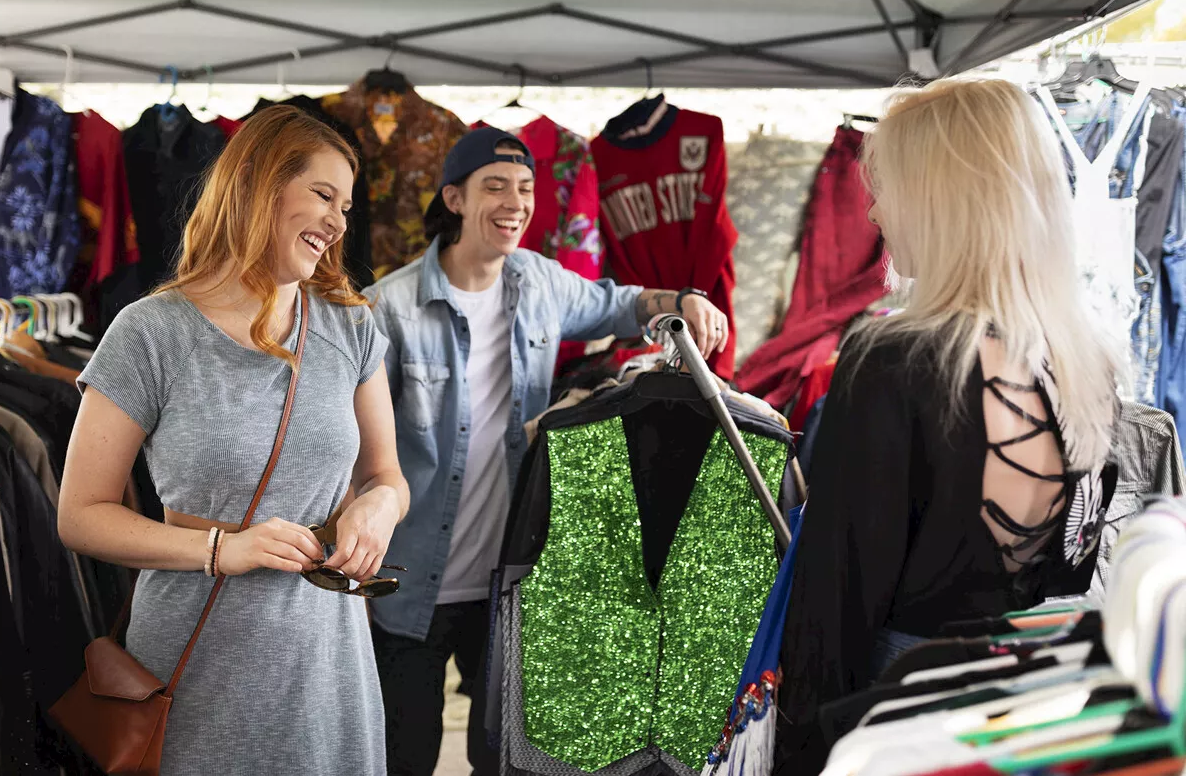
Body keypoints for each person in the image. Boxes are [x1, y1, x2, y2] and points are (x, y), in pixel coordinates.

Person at [774, 79, 1123, 772]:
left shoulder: (894, 359)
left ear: (943, 199)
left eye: (889, 187)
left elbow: (835, 605)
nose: (873, 208)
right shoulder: (1086, 362)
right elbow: (1072, 571)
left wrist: (798, 753)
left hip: (900, 716)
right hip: (1031, 715)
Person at [363, 126, 731, 775]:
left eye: (526, 189)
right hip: (408, 580)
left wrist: (682, 301)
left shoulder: (540, 282)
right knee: (403, 756)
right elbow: (359, 450)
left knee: (503, 756)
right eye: (496, 186)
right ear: (453, 197)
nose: (515, 202)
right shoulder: (388, 308)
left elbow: (622, 306)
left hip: (509, 580)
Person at [57, 106, 409, 775]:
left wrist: (378, 506)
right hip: (195, 664)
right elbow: (80, 515)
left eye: (346, 206)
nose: (338, 222)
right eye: (323, 195)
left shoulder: (352, 328)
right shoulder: (149, 332)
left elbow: (387, 474)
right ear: (257, 183)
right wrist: (223, 548)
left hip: (327, 664)